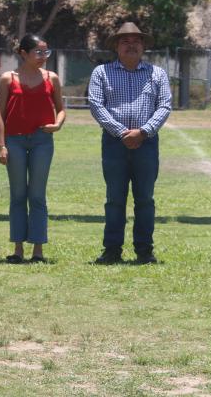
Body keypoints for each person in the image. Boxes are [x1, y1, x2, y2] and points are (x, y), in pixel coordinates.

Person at [87, 22, 172, 264]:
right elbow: (96, 105)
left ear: (143, 46)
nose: (131, 45)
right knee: (114, 199)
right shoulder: (101, 73)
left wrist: (143, 132)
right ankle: (112, 250)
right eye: (125, 41)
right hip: (114, 143)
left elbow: (164, 105)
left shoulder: (157, 74)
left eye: (136, 41)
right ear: (116, 46)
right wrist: (122, 132)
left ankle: (144, 250)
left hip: (147, 143)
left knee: (145, 199)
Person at [0, 35, 66, 263]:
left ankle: (38, 250)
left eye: (46, 52)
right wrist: (1, 145)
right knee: (18, 195)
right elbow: (0, 114)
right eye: (38, 52)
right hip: (14, 141)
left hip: (42, 140)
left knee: (37, 195)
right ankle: (18, 250)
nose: (44, 56)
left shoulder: (51, 78)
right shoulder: (8, 79)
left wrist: (57, 124)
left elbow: (61, 109)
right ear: (23, 53)